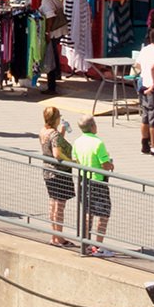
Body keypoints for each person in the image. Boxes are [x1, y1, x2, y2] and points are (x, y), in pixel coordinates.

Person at [70, 114, 115, 253]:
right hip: (98, 181)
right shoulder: (98, 143)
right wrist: (111, 165)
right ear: (93, 126)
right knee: (104, 214)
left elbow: (75, 159)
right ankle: (98, 246)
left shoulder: (77, 141)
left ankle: (85, 243)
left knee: (88, 213)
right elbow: (105, 164)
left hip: (84, 180)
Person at [38, 101, 76, 246]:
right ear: (56, 118)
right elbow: (57, 154)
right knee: (59, 207)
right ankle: (59, 238)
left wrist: (62, 131)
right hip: (59, 173)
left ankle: (54, 236)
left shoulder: (43, 131)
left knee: (53, 204)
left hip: (47, 171)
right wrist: (71, 161)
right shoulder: (54, 135)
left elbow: (54, 142)